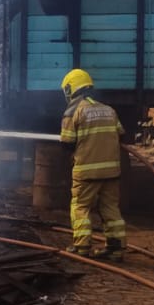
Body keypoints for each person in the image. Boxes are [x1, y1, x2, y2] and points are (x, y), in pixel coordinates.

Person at [59, 68, 125, 259]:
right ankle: (116, 248)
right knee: (110, 208)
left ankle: (81, 247)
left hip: (86, 173)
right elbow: (122, 134)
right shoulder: (108, 109)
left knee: (80, 207)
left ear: (71, 89)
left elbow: (67, 143)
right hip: (112, 172)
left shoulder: (73, 112)